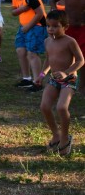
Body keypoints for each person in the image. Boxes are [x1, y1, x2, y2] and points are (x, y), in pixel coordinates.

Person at [35, 10, 84, 156]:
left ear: (65, 27)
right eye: (48, 26)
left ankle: (65, 138)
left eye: (55, 26)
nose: (51, 29)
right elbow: (49, 60)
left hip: (69, 79)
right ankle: (56, 135)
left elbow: (81, 60)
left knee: (62, 107)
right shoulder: (47, 41)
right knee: (44, 106)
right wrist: (41, 74)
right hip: (54, 79)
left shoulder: (70, 41)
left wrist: (66, 72)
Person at [6, 0, 47, 92]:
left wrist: (28, 27)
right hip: (23, 27)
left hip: (37, 27)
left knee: (32, 54)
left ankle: (37, 82)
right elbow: (13, 12)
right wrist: (24, 8)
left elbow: (39, 14)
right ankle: (27, 79)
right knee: (20, 50)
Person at [49, 0, 85, 95]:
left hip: (82, 29)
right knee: (66, 57)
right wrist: (56, 12)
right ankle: (62, 82)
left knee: (82, 58)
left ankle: (81, 86)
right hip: (68, 29)